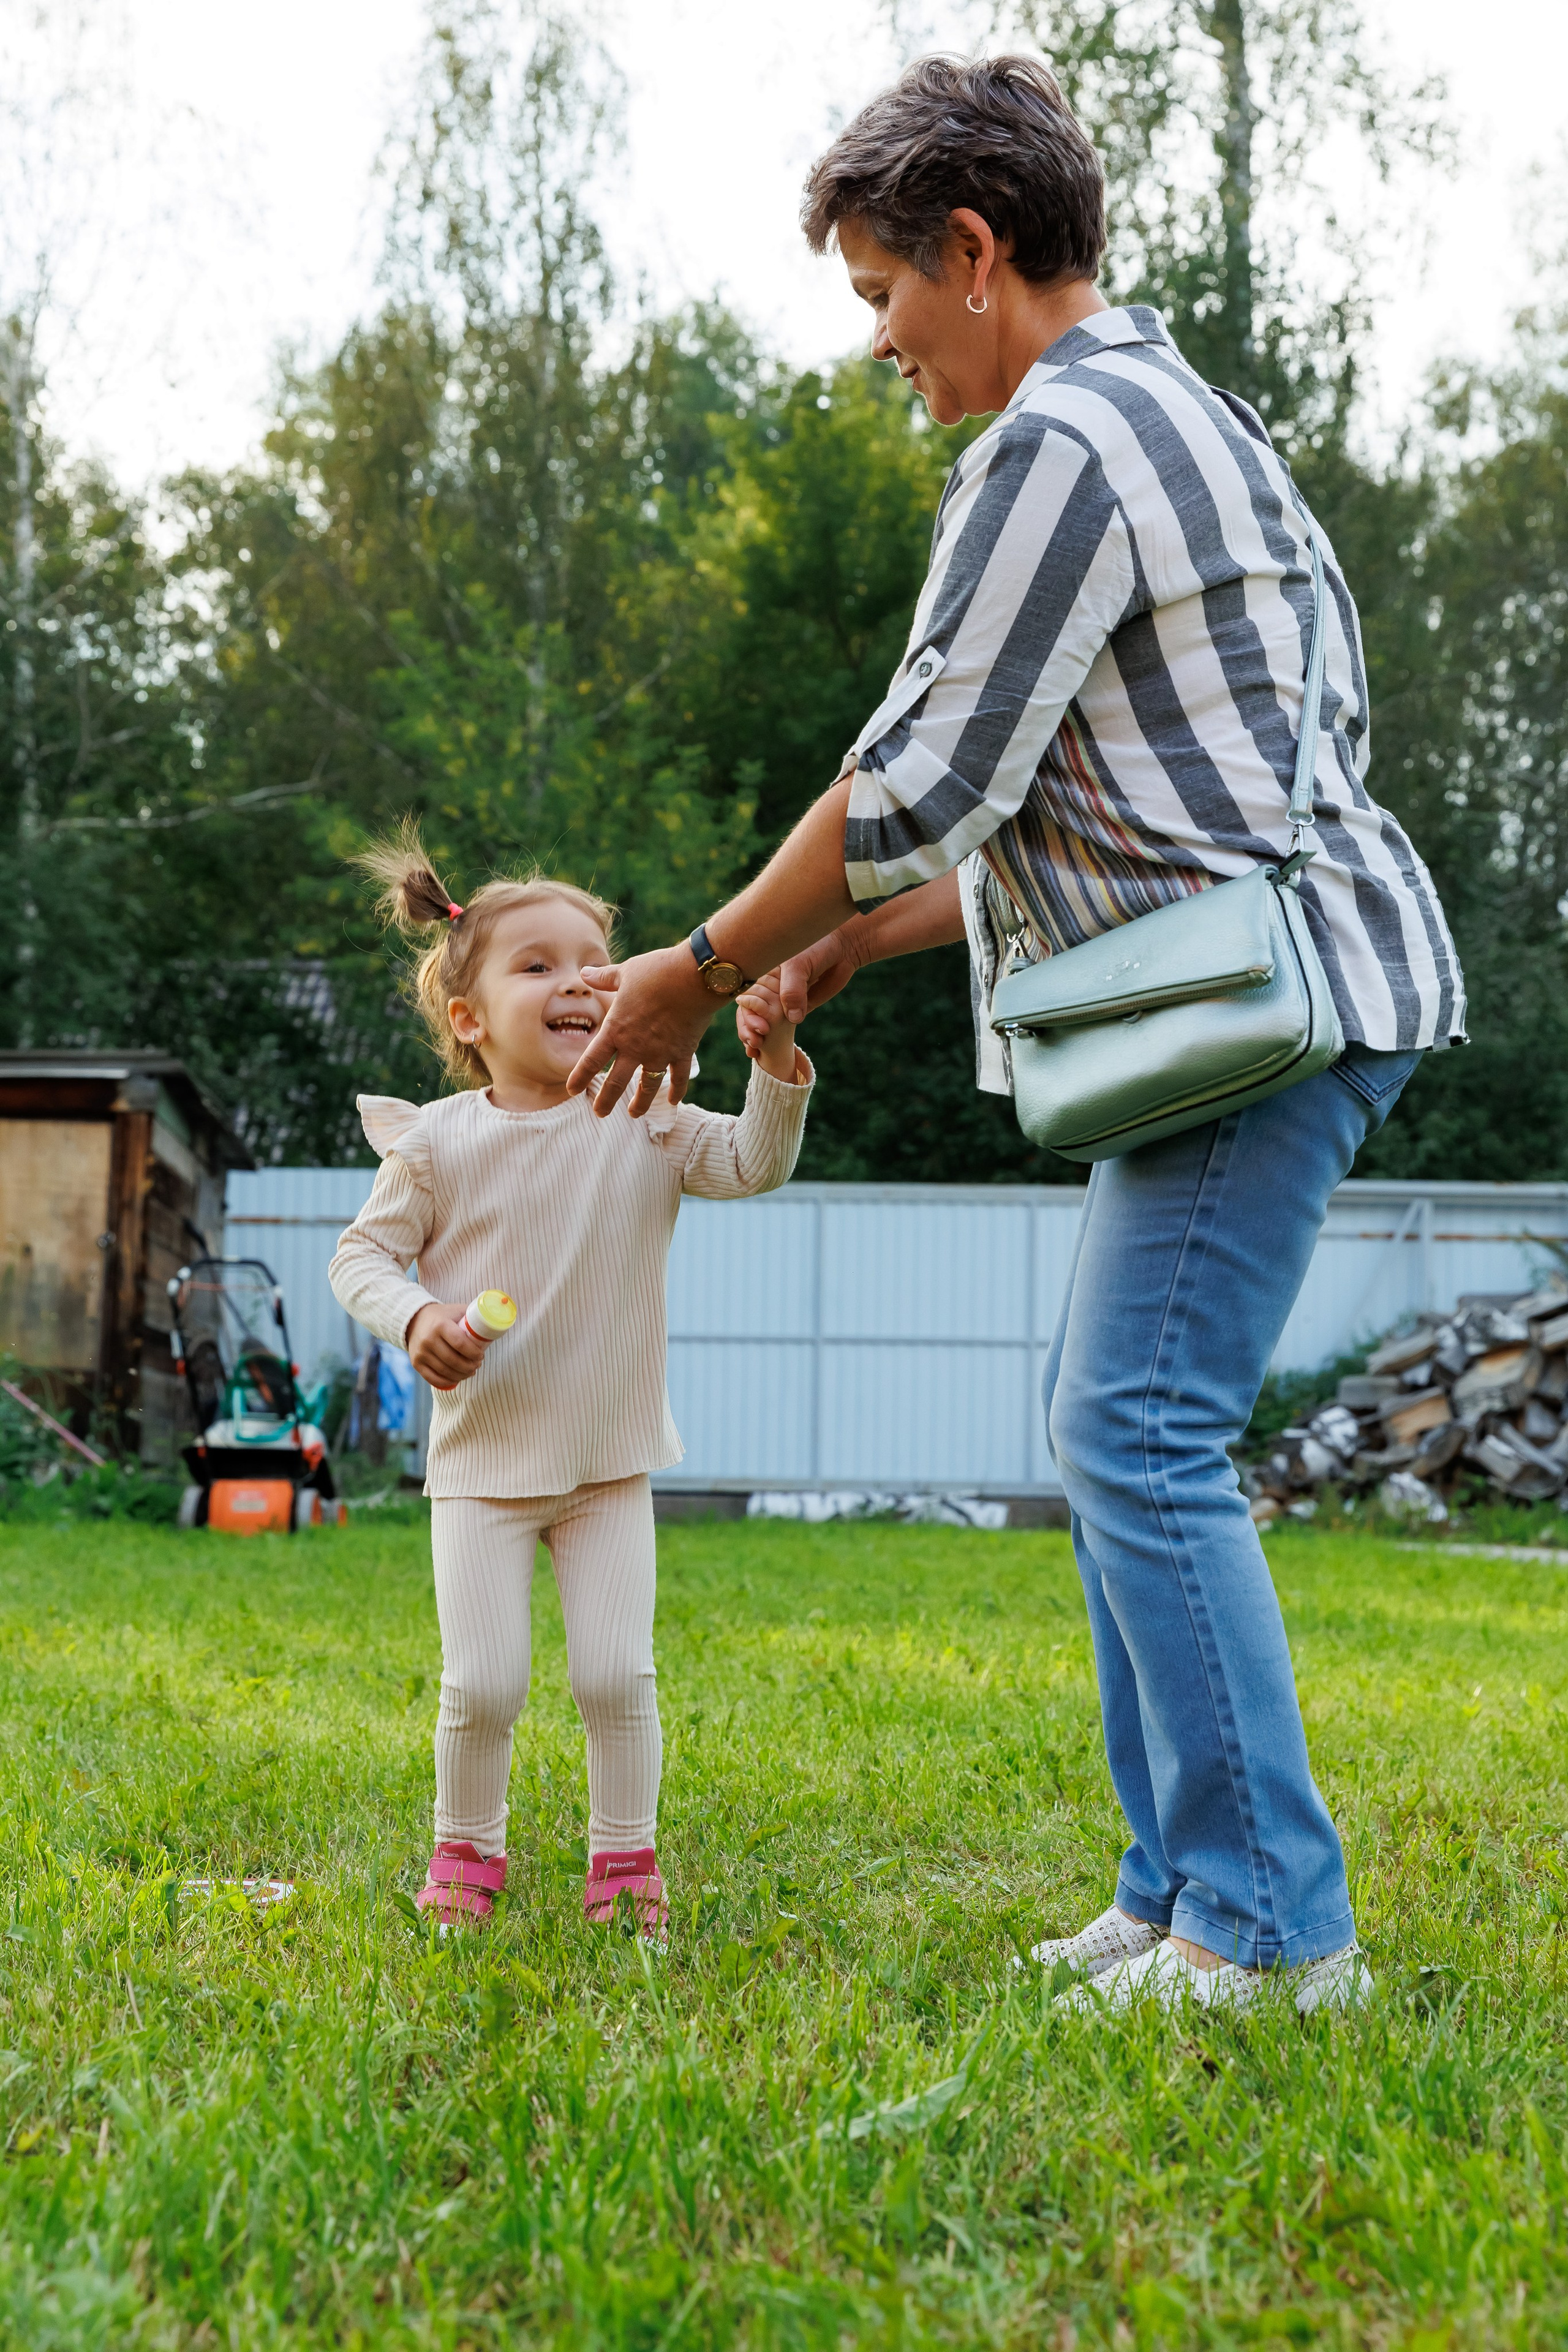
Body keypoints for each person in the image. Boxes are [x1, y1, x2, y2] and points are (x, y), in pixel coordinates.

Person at [568, 56, 1465, 2012]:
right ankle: (1176, 1888)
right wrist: (857, 942)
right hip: (1259, 979)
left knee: (1138, 1430)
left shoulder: (1059, 443)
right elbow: (1126, 793)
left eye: (884, 291)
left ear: (973, 253)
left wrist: (696, 967)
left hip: (1264, 1005)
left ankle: (1270, 1929)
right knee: (1111, 1421)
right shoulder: (1178, 410)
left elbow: (915, 779)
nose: (880, 339)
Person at [329, 824, 813, 1939]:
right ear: (469, 1018)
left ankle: (626, 1860)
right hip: (482, 1465)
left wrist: (775, 1055)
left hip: (608, 1461)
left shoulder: (645, 1116)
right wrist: (418, 1318)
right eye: (538, 965)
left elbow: (754, 1164)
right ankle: (467, 1853)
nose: (578, 985)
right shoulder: (437, 1144)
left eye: (595, 965)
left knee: (614, 1677)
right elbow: (360, 1258)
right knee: (485, 1685)